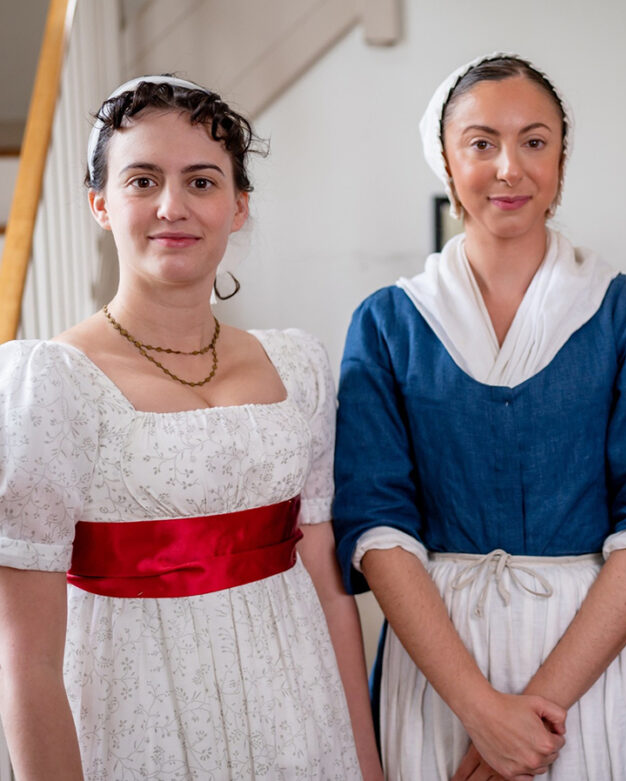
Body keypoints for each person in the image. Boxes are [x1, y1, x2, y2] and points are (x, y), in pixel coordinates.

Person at [0, 76, 382, 780]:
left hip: (299, 718)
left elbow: (330, 591)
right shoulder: (46, 385)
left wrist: (365, 762)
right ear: (101, 205)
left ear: (239, 207)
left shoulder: (298, 365)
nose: (172, 207)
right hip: (138, 726)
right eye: (142, 180)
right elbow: (27, 663)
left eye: (201, 182)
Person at [332, 53, 626, 781]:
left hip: (586, 660)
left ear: (562, 160)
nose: (509, 168)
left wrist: (531, 714)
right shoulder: (388, 322)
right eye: (481, 143)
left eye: (535, 141)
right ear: (445, 158)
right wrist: (480, 710)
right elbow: (376, 523)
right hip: (440, 665)